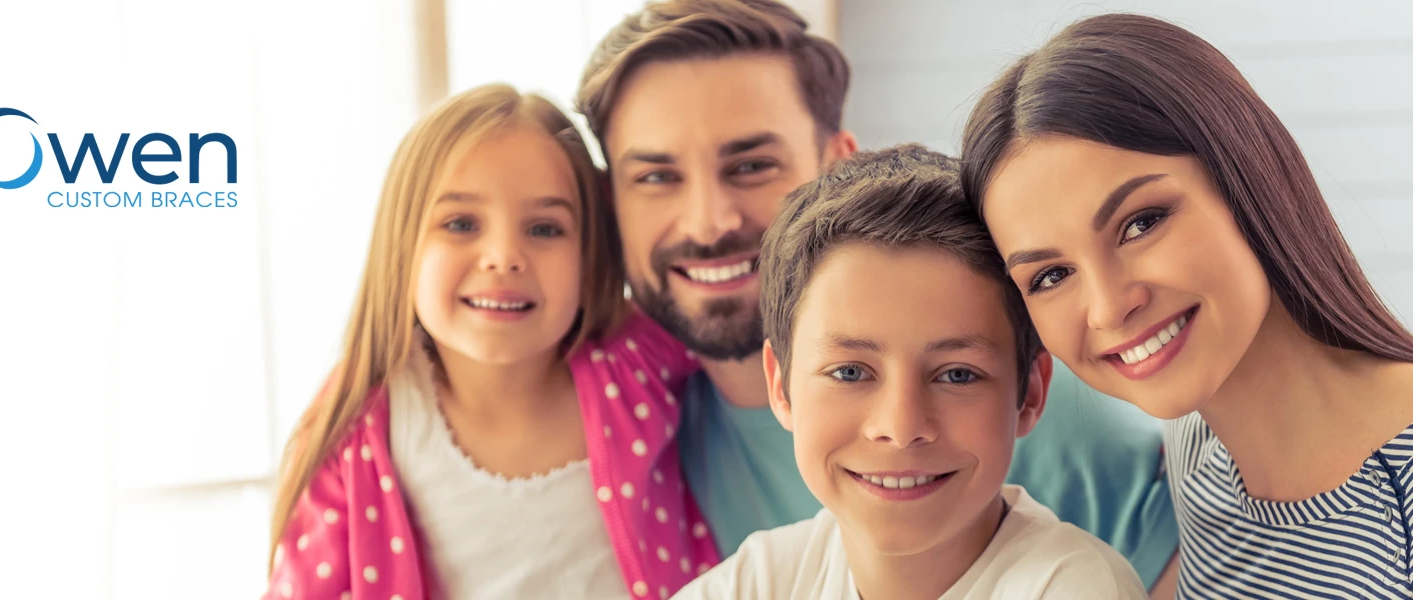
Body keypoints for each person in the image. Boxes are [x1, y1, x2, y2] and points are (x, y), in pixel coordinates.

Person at [574, 0, 1180, 592]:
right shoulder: (634, 422)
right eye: (656, 176)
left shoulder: (1056, 420)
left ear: (839, 165)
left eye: (752, 165)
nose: (707, 223)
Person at [962, 13, 1413, 599]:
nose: (1107, 308)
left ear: (1249, 175)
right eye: (1051, 275)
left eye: (1141, 224)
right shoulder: (1195, 449)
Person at [262, 84, 718, 600]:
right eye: (460, 224)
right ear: (402, 245)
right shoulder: (360, 419)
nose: (503, 256)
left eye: (545, 229)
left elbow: (745, 323)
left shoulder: (637, 360)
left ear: (591, 254)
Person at [674, 143, 1145, 599]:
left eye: (957, 374)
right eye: (850, 373)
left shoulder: (1074, 587)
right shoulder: (753, 584)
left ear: (1031, 392)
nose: (901, 428)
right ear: (781, 385)